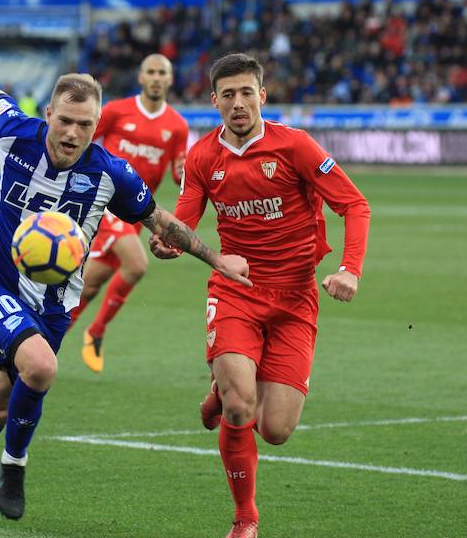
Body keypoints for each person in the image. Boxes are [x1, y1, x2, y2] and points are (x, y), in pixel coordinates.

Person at [0, 73, 251, 524]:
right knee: (41, 367)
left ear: (97, 123)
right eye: (65, 120)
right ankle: (15, 466)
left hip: (52, 306)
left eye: (85, 124)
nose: (72, 133)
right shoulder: (17, 136)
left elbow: (158, 218)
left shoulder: (109, 173)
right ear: (48, 115)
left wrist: (216, 260)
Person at [149, 54, 371, 538]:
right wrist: (169, 242)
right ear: (214, 102)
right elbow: (184, 221)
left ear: (262, 96)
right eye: (227, 95)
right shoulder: (204, 157)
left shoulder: (296, 146)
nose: (238, 103)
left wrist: (349, 269)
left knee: (275, 431)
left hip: (295, 300)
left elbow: (354, 204)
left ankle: (220, 388)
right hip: (236, 292)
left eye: (247, 92)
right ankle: (245, 520)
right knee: (240, 407)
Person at [67, 53, 189, 373]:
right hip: (104, 203)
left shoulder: (176, 125)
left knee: (89, 286)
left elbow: (179, 176)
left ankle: (46, 338)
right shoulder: (117, 111)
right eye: (151, 71)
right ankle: (96, 331)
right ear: (141, 77)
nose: (157, 77)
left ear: (170, 79)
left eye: (162, 72)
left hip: (135, 212)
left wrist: (182, 170)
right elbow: (83, 141)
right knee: (136, 265)